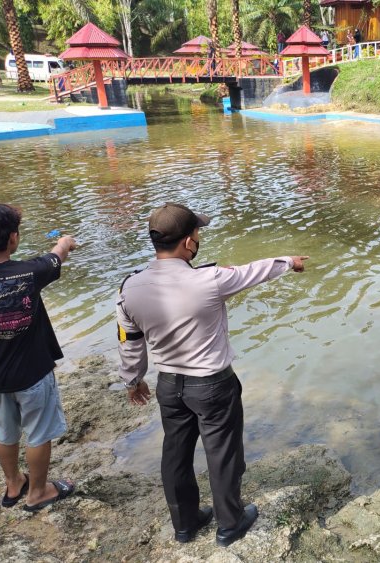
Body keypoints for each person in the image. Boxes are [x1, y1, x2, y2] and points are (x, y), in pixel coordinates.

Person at [116, 203, 309, 547]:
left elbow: (130, 340)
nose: (199, 238)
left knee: (175, 453)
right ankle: (230, 525)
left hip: (169, 385)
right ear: (188, 243)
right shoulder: (209, 280)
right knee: (222, 454)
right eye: (198, 233)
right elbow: (254, 271)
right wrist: (289, 262)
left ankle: (185, 524)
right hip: (212, 385)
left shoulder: (129, 287)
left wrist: (133, 381)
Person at [0, 203, 77, 512]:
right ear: (13, 239)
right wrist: (67, 241)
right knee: (38, 433)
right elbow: (58, 253)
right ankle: (37, 493)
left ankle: (13, 483)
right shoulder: (32, 271)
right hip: (33, 373)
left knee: (2, 431)